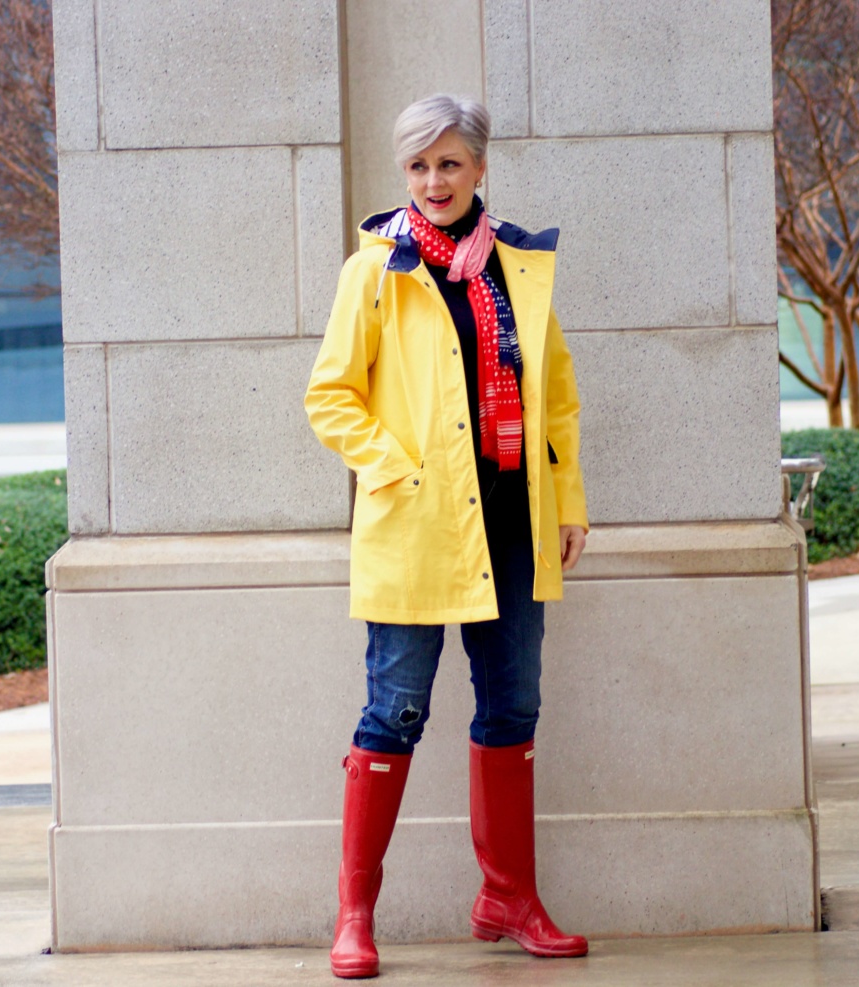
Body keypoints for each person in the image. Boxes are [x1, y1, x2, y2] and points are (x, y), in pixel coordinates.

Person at [304, 93, 589, 979]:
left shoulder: (519, 266)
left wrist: (568, 500)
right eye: (419, 165)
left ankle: (508, 896)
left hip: (514, 521)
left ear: (479, 167)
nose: (434, 180)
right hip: (418, 526)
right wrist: (395, 469)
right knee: (395, 710)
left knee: (512, 708)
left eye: (451, 163)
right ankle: (355, 915)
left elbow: (558, 396)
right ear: (405, 173)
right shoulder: (375, 270)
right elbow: (330, 395)